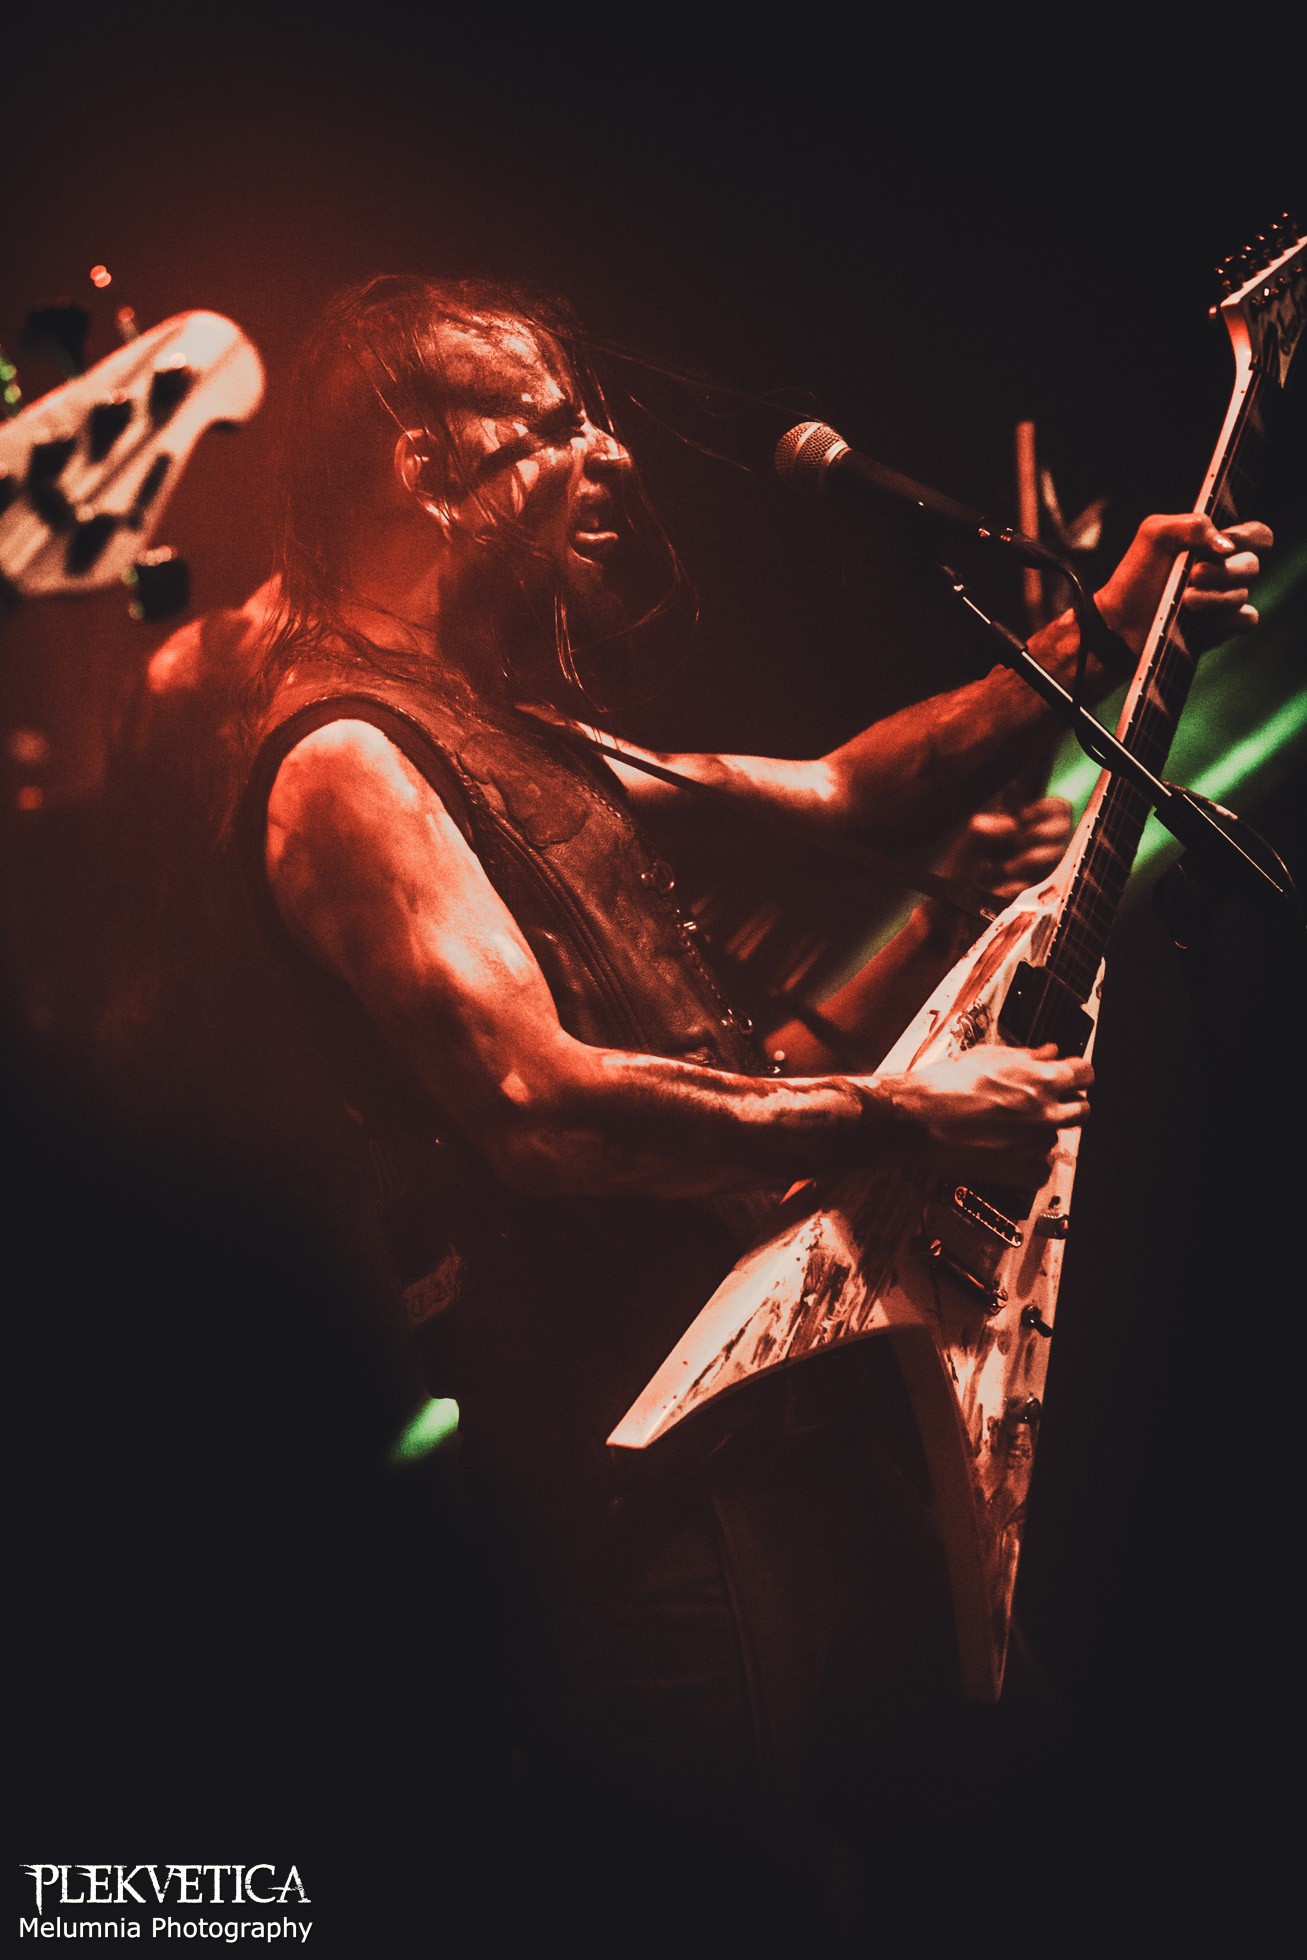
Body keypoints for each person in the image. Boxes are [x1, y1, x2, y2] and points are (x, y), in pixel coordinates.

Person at [149, 273, 1270, 1944]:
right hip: (649, 1506)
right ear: (428, 466)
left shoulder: (496, 721)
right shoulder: (345, 760)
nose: (608, 454)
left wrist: (1101, 627)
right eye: (557, 423)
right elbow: (537, 1103)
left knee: (1024, 1850)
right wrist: (896, 1115)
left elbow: (843, 791)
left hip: (796, 1414)